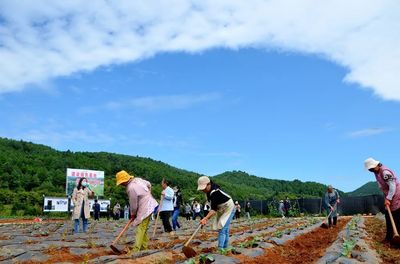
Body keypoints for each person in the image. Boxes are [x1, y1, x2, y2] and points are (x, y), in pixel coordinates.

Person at [116, 170, 158, 252]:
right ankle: (144, 247)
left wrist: (133, 214)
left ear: (124, 181)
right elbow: (149, 184)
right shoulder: (138, 179)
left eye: (121, 183)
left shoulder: (131, 188)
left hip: (145, 208)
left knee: (141, 228)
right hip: (150, 204)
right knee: (143, 228)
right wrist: (149, 193)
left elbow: (133, 204)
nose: (121, 185)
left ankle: (136, 249)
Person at [365, 158, 400, 243]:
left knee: (396, 216)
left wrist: (388, 198)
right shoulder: (377, 172)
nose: (371, 171)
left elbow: (392, 186)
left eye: (371, 169)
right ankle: (389, 238)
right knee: (388, 216)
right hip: (389, 196)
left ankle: (396, 240)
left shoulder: (385, 172)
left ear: (375, 165)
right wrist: (386, 197)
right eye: (369, 169)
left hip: (396, 195)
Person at [197, 176, 236, 251]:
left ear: (209, 184)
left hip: (229, 208)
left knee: (222, 228)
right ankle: (225, 248)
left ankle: (220, 249)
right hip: (221, 209)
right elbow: (211, 207)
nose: (203, 190)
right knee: (225, 229)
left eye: (204, 188)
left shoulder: (215, 193)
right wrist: (205, 218)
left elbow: (213, 210)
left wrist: (205, 218)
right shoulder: (208, 193)